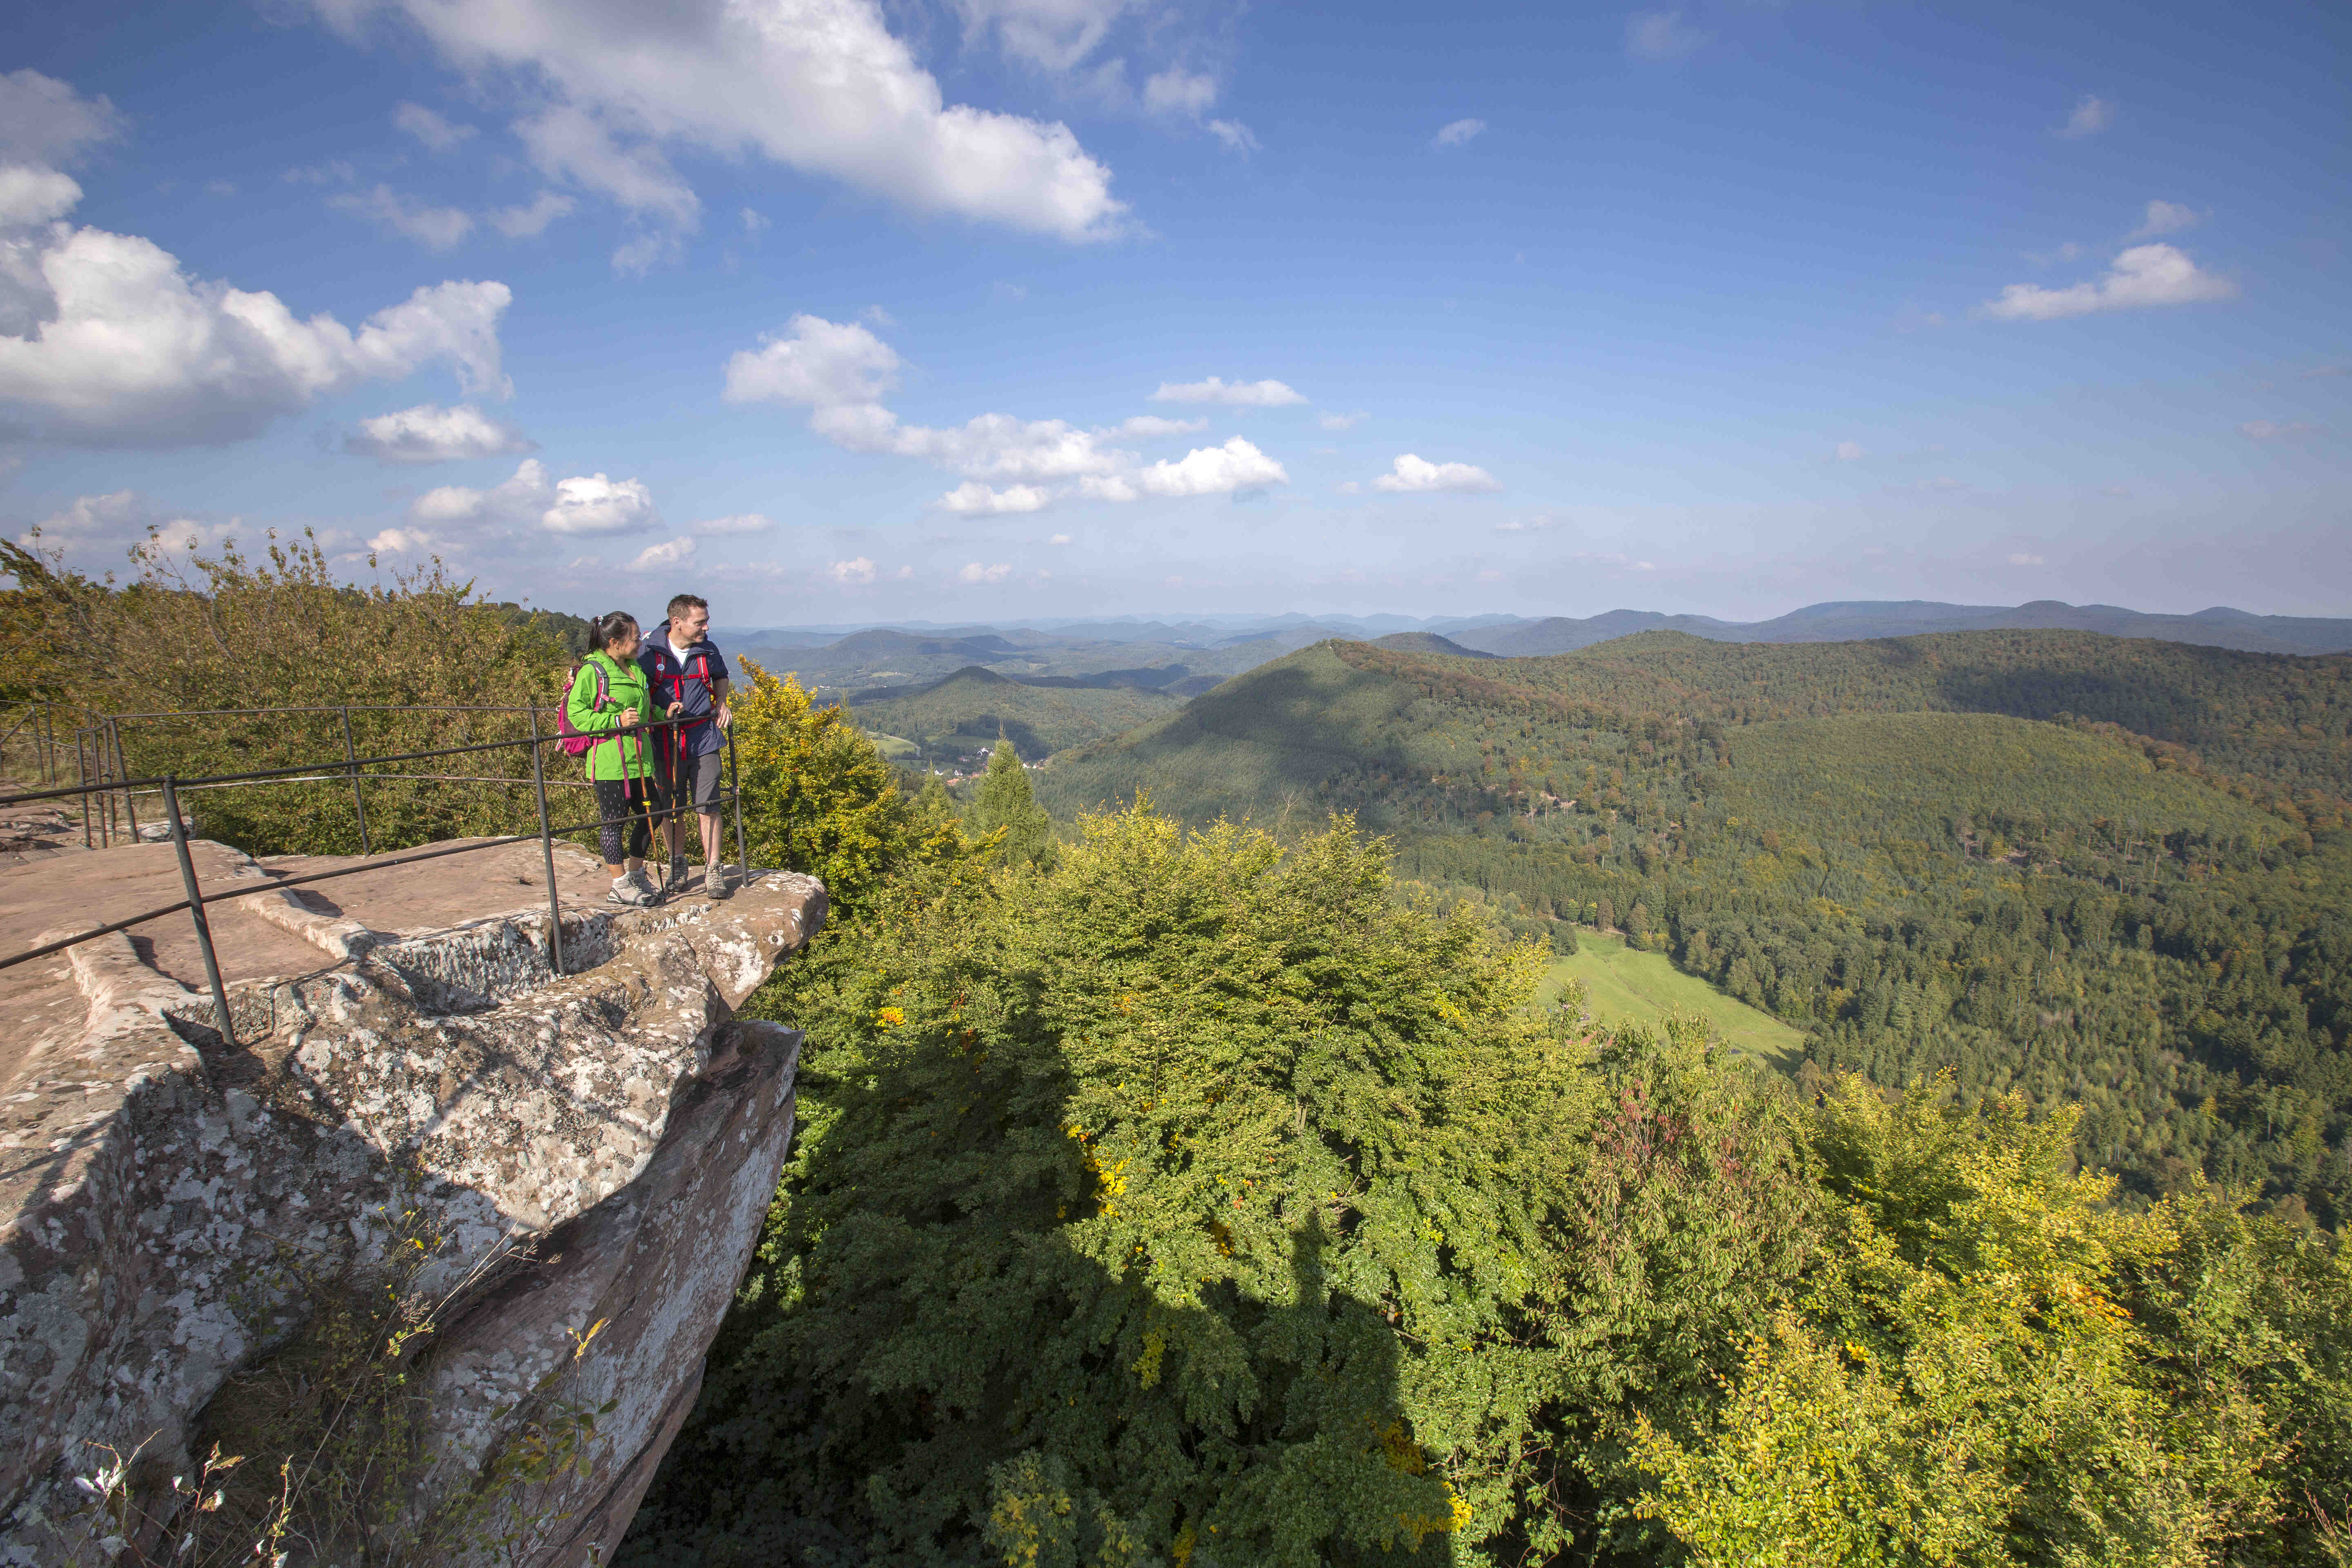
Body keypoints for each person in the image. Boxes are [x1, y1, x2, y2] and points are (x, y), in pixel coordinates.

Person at [638, 592, 734, 895]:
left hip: (704, 736)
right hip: (666, 741)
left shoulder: (707, 650)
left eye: (706, 622)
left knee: (709, 805)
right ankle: (677, 864)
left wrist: (721, 702)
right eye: (700, 622)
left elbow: (721, 676)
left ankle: (713, 870)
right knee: (672, 808)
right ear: (677, 622)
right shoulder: (648, 654)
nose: (706, 628)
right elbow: (637, 692)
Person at [567, 611, 664, 906]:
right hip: (610, 760)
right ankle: (619, 885)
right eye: (635, 638)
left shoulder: (634, 668)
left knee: (654, 813)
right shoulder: (593, 671)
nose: (639, 643)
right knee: (614, 822)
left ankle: (634, 876)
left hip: (639, 758)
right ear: (614, 642)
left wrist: (664, 714)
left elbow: (643, 710)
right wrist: (616, 721)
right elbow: (577, 714)